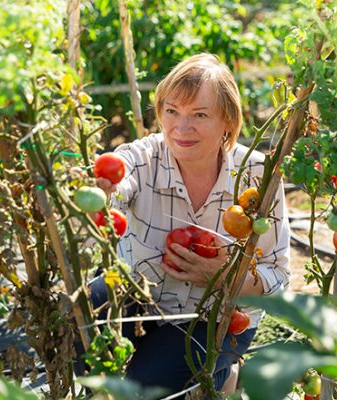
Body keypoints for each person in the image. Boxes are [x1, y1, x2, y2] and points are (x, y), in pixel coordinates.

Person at [90, 53, 291, 397]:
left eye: (199, 115)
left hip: (213, 317)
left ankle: (225, 373)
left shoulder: (258, 176)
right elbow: (120, 172)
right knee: (77, 329)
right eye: (172, 112)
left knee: (145, 389)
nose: (181, 129)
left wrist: (225, 277)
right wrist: (103, 185)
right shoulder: (145, 158)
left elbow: (277, 278)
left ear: (227, 120)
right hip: (139, 300)